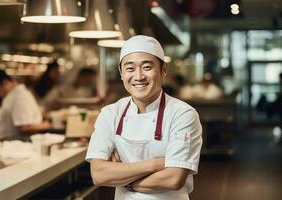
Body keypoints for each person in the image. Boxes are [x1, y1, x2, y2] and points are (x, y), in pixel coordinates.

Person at [85, 35, 203, 200]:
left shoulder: (183, 114)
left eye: (147, 67)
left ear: (163, 70)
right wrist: (155, 164)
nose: (138, 76)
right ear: (121, 73)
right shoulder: (110, 114)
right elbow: (98, 175)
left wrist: (123, 178)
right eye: (130, 68)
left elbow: (174, 178)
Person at [0, 69, 52, 141]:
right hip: (5, 143)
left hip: (11, 145)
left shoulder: (19, 96)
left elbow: (24, 128)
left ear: (5, 83)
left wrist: (46, 126)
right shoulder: (12, 95)